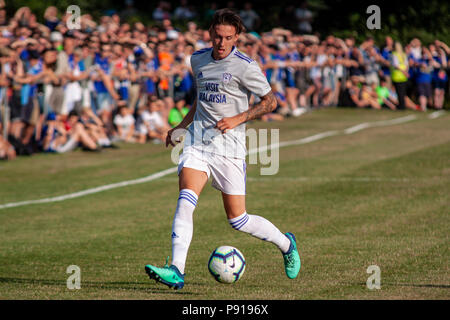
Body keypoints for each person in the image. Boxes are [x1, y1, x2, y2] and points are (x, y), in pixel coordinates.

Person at [144, 9, 301, 290]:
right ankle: (176, 270)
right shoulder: (198, 59)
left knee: (238, 219)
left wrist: (238, 119)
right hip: (198, 144)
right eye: (218, 36)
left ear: (236, 37)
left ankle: (287, 245)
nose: (222, 42)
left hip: (230, 149)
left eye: (228, 37)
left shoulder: (246, 65)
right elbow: (201, 99)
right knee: (185, 199)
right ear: (210, 34)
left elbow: (270, 102)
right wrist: (180, 126)